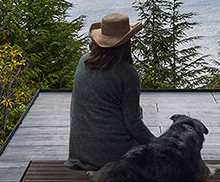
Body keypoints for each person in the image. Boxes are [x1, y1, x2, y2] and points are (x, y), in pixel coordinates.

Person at [65, 12, 156, 171]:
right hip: (112, 157)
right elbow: (133, 124)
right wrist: (158, 144)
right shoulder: (127, 73)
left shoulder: (83, 61)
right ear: (126, 43)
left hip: (79, 154)